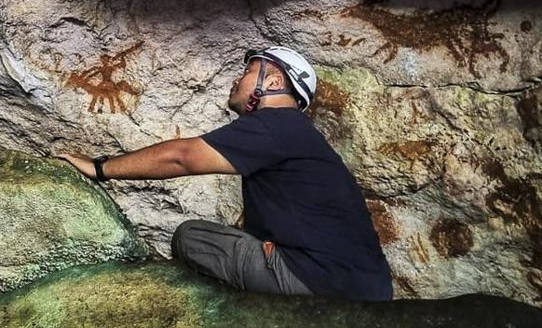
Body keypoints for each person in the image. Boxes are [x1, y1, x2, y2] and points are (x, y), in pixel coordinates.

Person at [58, 46, 393, 301]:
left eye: (248, 71)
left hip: (318, 281)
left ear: (273, 82)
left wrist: (100, 168)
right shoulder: (300, 135)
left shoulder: (276, 124)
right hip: (369, 288)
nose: (237, 79)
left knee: (191, 237)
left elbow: (182, 158)